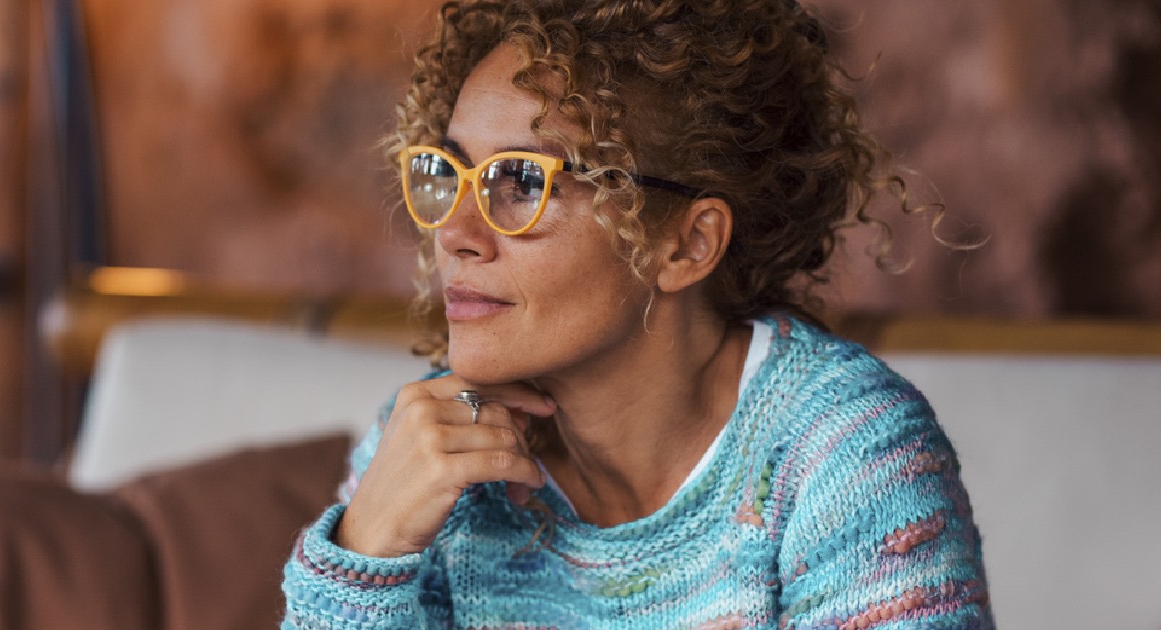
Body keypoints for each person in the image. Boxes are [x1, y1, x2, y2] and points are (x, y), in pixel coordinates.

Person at [282, 0, 993, 627]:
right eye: (452, 172)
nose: (456, 233)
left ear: (688, 244)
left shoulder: (846, 459)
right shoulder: (423, 453)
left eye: (522, 180)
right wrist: (361, 556)